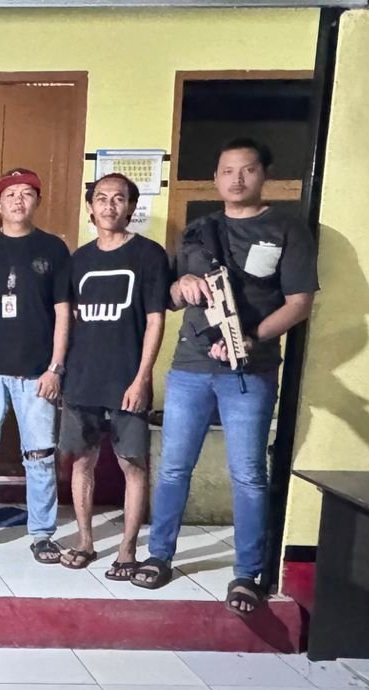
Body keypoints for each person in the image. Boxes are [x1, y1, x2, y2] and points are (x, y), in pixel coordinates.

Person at [135, 138, 318, 613]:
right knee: (173, 467)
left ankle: (246, 574)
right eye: (227, 170)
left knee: (248, 475)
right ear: (216, 178)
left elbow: (300, 302)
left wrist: (250, 339)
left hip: (250, 372)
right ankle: (159, 555)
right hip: (190, 367)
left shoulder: (286, 228)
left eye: (247, 169)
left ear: (263, 175)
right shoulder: (199, 229)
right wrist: (182, 285)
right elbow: (170, 297)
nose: (237, 179)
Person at [0, 168, 72, 563]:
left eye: (27, 194)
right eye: (11, 194)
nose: (18, 201)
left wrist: (55, 368)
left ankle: (42, 534)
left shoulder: (53, 249)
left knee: (40, 457)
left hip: (37, 375)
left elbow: (63, 313)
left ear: (37, 201)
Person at [56, 173, 169, 578]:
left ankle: (127, 550)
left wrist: (142, 378)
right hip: (82, 377)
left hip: (126, 379)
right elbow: (67, 319)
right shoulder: (78, 260)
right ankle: (85, 541)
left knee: (132, 464)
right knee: (82, 462)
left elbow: (156, 321)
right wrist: (61, 371)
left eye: (118, 198)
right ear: (90, 208)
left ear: (131, 207)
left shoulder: (149, 255)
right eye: (101, 198)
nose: (109, 205)